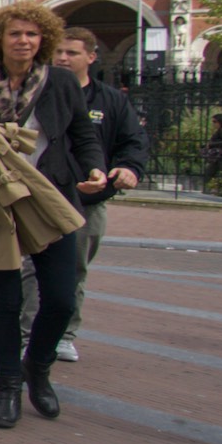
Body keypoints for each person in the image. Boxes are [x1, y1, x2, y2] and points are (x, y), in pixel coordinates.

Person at [0, 4, 105, 430]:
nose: (24, 41)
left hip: (51, 199)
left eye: (32, 35)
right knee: (6, 300)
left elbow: (82, 133)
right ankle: (8, 386)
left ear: (44, 40)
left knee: (60, 299)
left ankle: (37, 365)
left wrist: (95, 168)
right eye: (15, 33)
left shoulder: (60, 82)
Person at [19, 26, 147, 362]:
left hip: (87, 203)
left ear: (91, 57)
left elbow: (133, 141)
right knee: (31, 269)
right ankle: (28, 335)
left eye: (71, 53)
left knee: (74, 271)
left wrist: (129, 168)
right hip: (41, 197)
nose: (62, 58)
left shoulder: (110, 100)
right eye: (58, 52)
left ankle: (63, 335)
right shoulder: (35, 92)